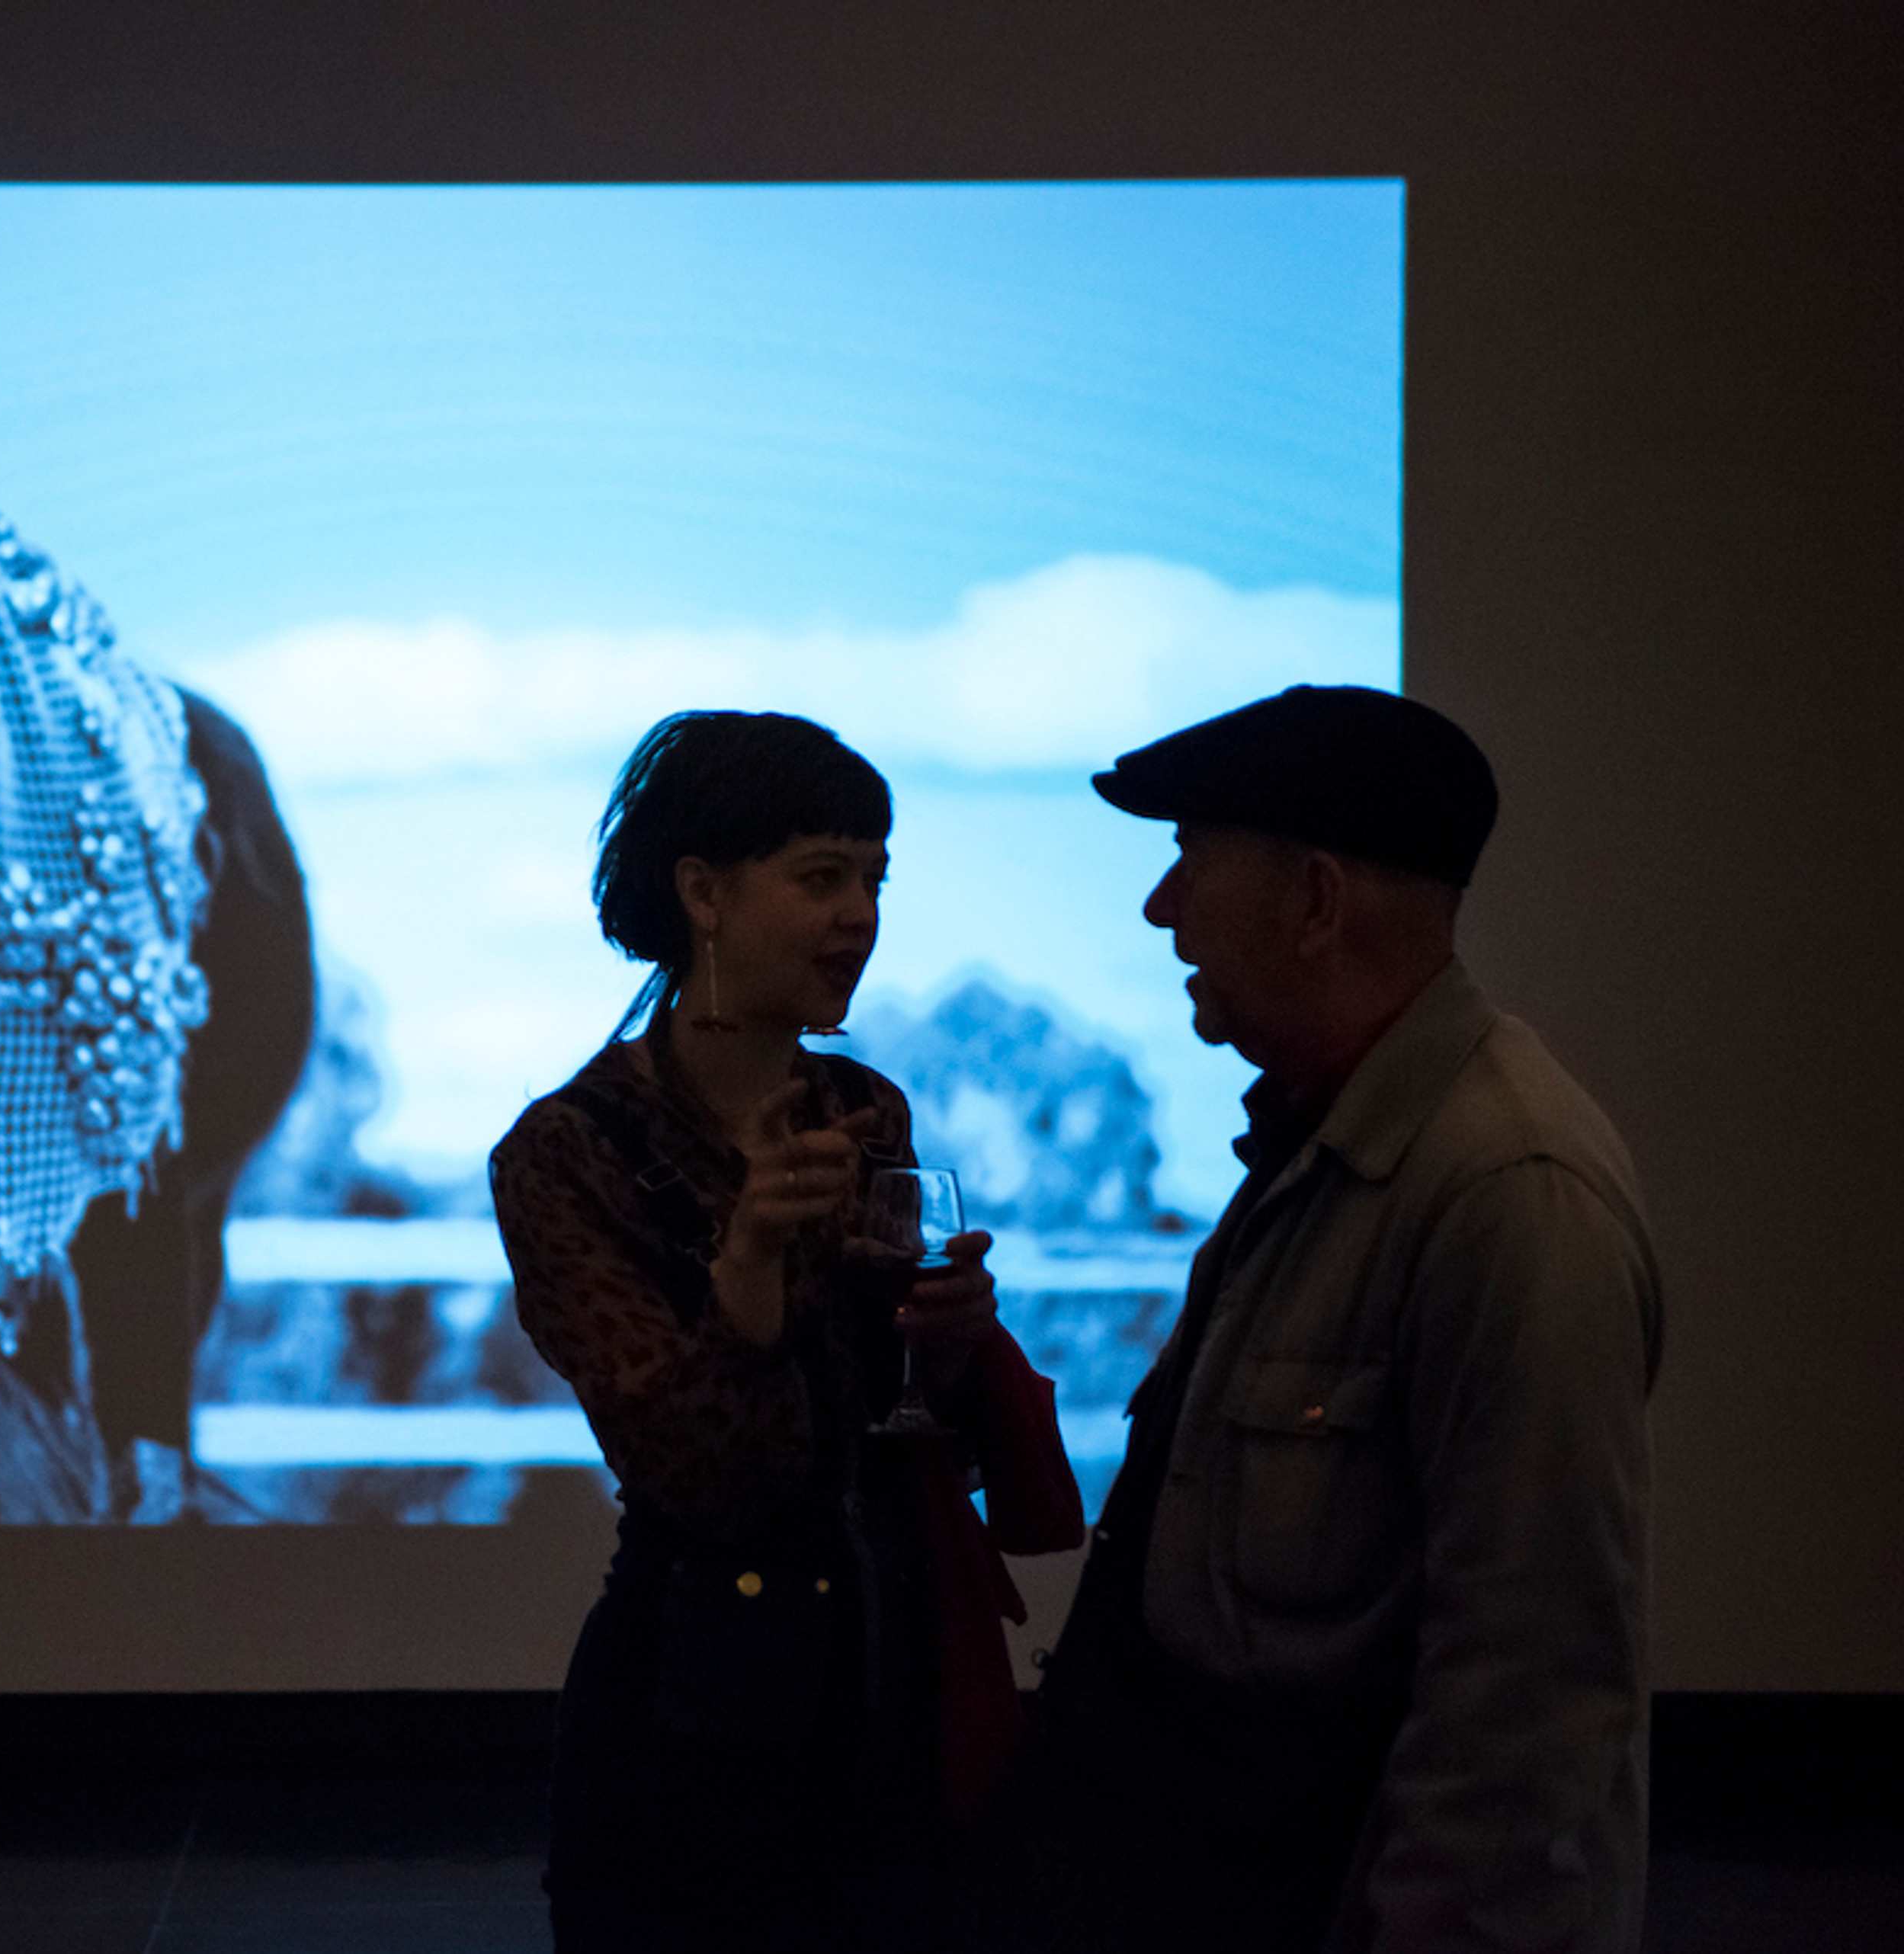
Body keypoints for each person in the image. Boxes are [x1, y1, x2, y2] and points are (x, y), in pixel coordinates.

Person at [1017, 684, 1664, 1952]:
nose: (1161, 910)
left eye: (1187, 861)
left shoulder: (1509, 1194)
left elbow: (1528, 1714)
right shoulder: (1326, 1143)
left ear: (1315, 901)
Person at [491, 710, 1083, 1954]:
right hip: (697, 1704)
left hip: (894, 1671)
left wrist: (954, 1339)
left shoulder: (865, 1110)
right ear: (701, 892)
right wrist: (749, 1258)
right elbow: (695, 1472)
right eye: (822, 877)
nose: (859, 915)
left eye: (874, 879)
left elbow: (906, 1429)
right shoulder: (568, 1153)